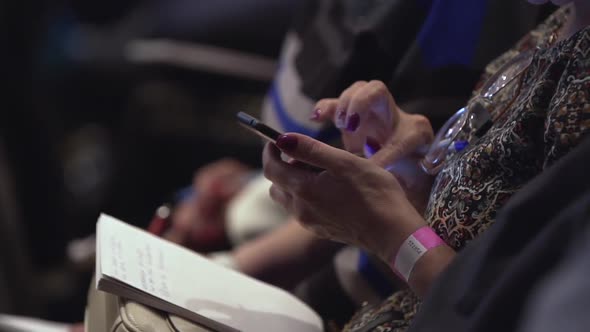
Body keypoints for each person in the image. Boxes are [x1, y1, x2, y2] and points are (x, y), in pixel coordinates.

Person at [262, 0, 590, 330]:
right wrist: (412, 176)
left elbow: (505, 315)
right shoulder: (560, 20)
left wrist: (388, 232)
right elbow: (476, 232)